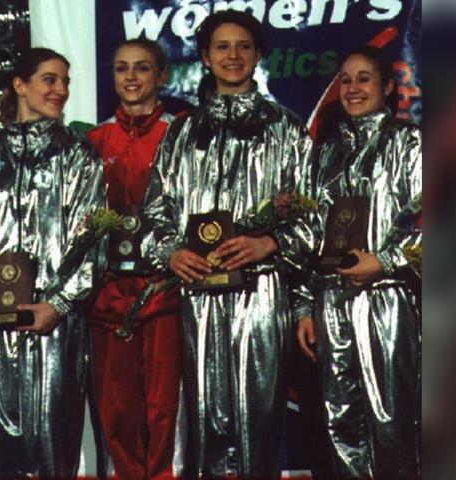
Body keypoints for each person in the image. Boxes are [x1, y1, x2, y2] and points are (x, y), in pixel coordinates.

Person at [142, 11, 313, 477]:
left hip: (263, 294)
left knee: (259, 415)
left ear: (259, 55)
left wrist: (269, 244)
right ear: (204, 57)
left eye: (243, 46)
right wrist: (172, 253)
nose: (233, 56)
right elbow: (152, 219)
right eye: (222, 47)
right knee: (205, 418)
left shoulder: (287, 130)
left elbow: (313, 222)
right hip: (197, 295)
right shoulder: (180, 133)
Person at [0, 48, 105, 478]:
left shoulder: (79, 155)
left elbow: (94, 242)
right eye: (49, 80)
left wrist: (59, 304)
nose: (61, 90)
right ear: (20, 85)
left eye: (65, 81)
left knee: (56, 446)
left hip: (55, 324)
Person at [295, 45, 422, 478]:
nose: (353, 88)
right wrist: (304, 305)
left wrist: (385, 263)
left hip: (390, 299)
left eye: (364, 78)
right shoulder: (325, 154)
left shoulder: (412, 143)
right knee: (340, 419)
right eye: (346, 79)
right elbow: (308, 236)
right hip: (331, 301)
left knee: (393, 419)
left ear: (388, 86)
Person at [85, 38, 181, 480]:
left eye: (142, 68)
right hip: (107, 295)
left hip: (165, 292)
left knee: (164, 410)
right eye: (122, 68)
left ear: (161, 76)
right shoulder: (92, 141)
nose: (130, 77)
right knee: (117, 410)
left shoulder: (181, 134)